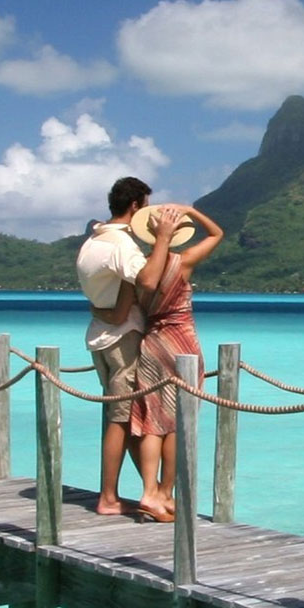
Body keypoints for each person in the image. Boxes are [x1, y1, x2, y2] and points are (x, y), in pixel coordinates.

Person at [74, 177, 174, 522]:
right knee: (119, 420)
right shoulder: (121, 245)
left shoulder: (91, 243)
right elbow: (146, 280)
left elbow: (108, 294)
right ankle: (109, 497)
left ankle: (153, 490)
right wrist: (162, 239)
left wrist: (106, 312)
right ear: (135, 207)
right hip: (123, 337)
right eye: (145, 208)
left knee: (124, 415)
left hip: (101, 333)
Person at [126, 203, 224, 514]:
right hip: (182, 345)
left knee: (153, 421)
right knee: (177, 422)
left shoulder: (142, 269)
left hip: (151, 344)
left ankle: (148, 491)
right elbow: (217, 233)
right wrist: (190, 211)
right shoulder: (184, 262)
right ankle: (166, 494)